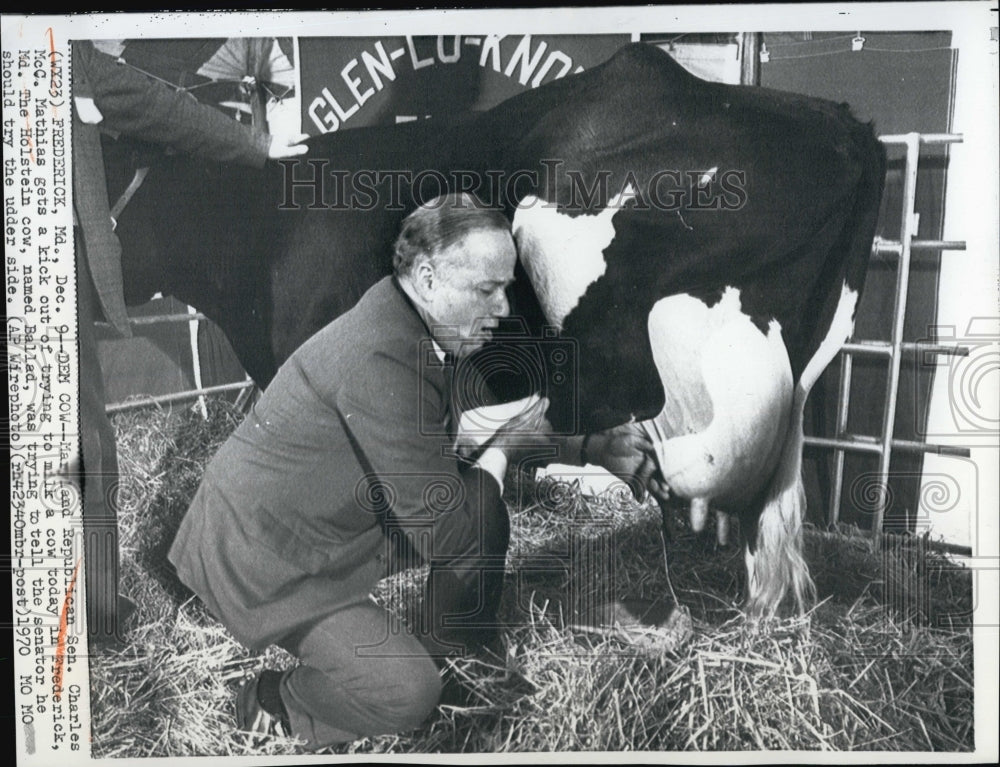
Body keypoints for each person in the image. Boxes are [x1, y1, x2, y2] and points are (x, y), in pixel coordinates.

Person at [168, 193, 557, 748]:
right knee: (408, 693)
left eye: (507, 287)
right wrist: (505, 450)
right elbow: (443, 529)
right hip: (269, 559)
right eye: (486, 289)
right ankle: (277, 700)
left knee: (481, 504)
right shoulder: (382, 353)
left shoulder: (401, 321)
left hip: (319, 525)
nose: (503, 308)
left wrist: (581, 445)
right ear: (426, 278)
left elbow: (439, 437)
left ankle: (454, 653)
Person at [72, 38, 309, 647]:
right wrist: (254, 148)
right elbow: (152, 103)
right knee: (82, 438)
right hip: (39, 267)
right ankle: (96, 620)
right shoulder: (51, 47)